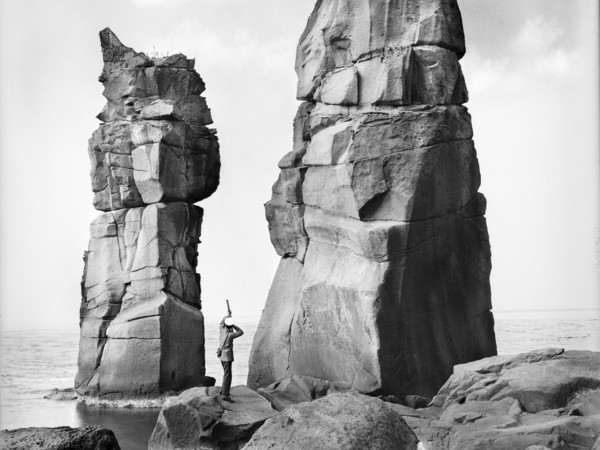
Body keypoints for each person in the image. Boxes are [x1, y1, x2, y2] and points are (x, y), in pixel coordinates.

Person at [217, 316, 244, 402]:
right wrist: (234, 325)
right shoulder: (230, 335)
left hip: (221, 356)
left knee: (225, 374)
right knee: (228, 375)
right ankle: (225, 394)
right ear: (231, 325)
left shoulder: (222, 330)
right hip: (227, 357)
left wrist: (227, 316)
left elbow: (221, 323)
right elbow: (241, 332)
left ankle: (223, 390)